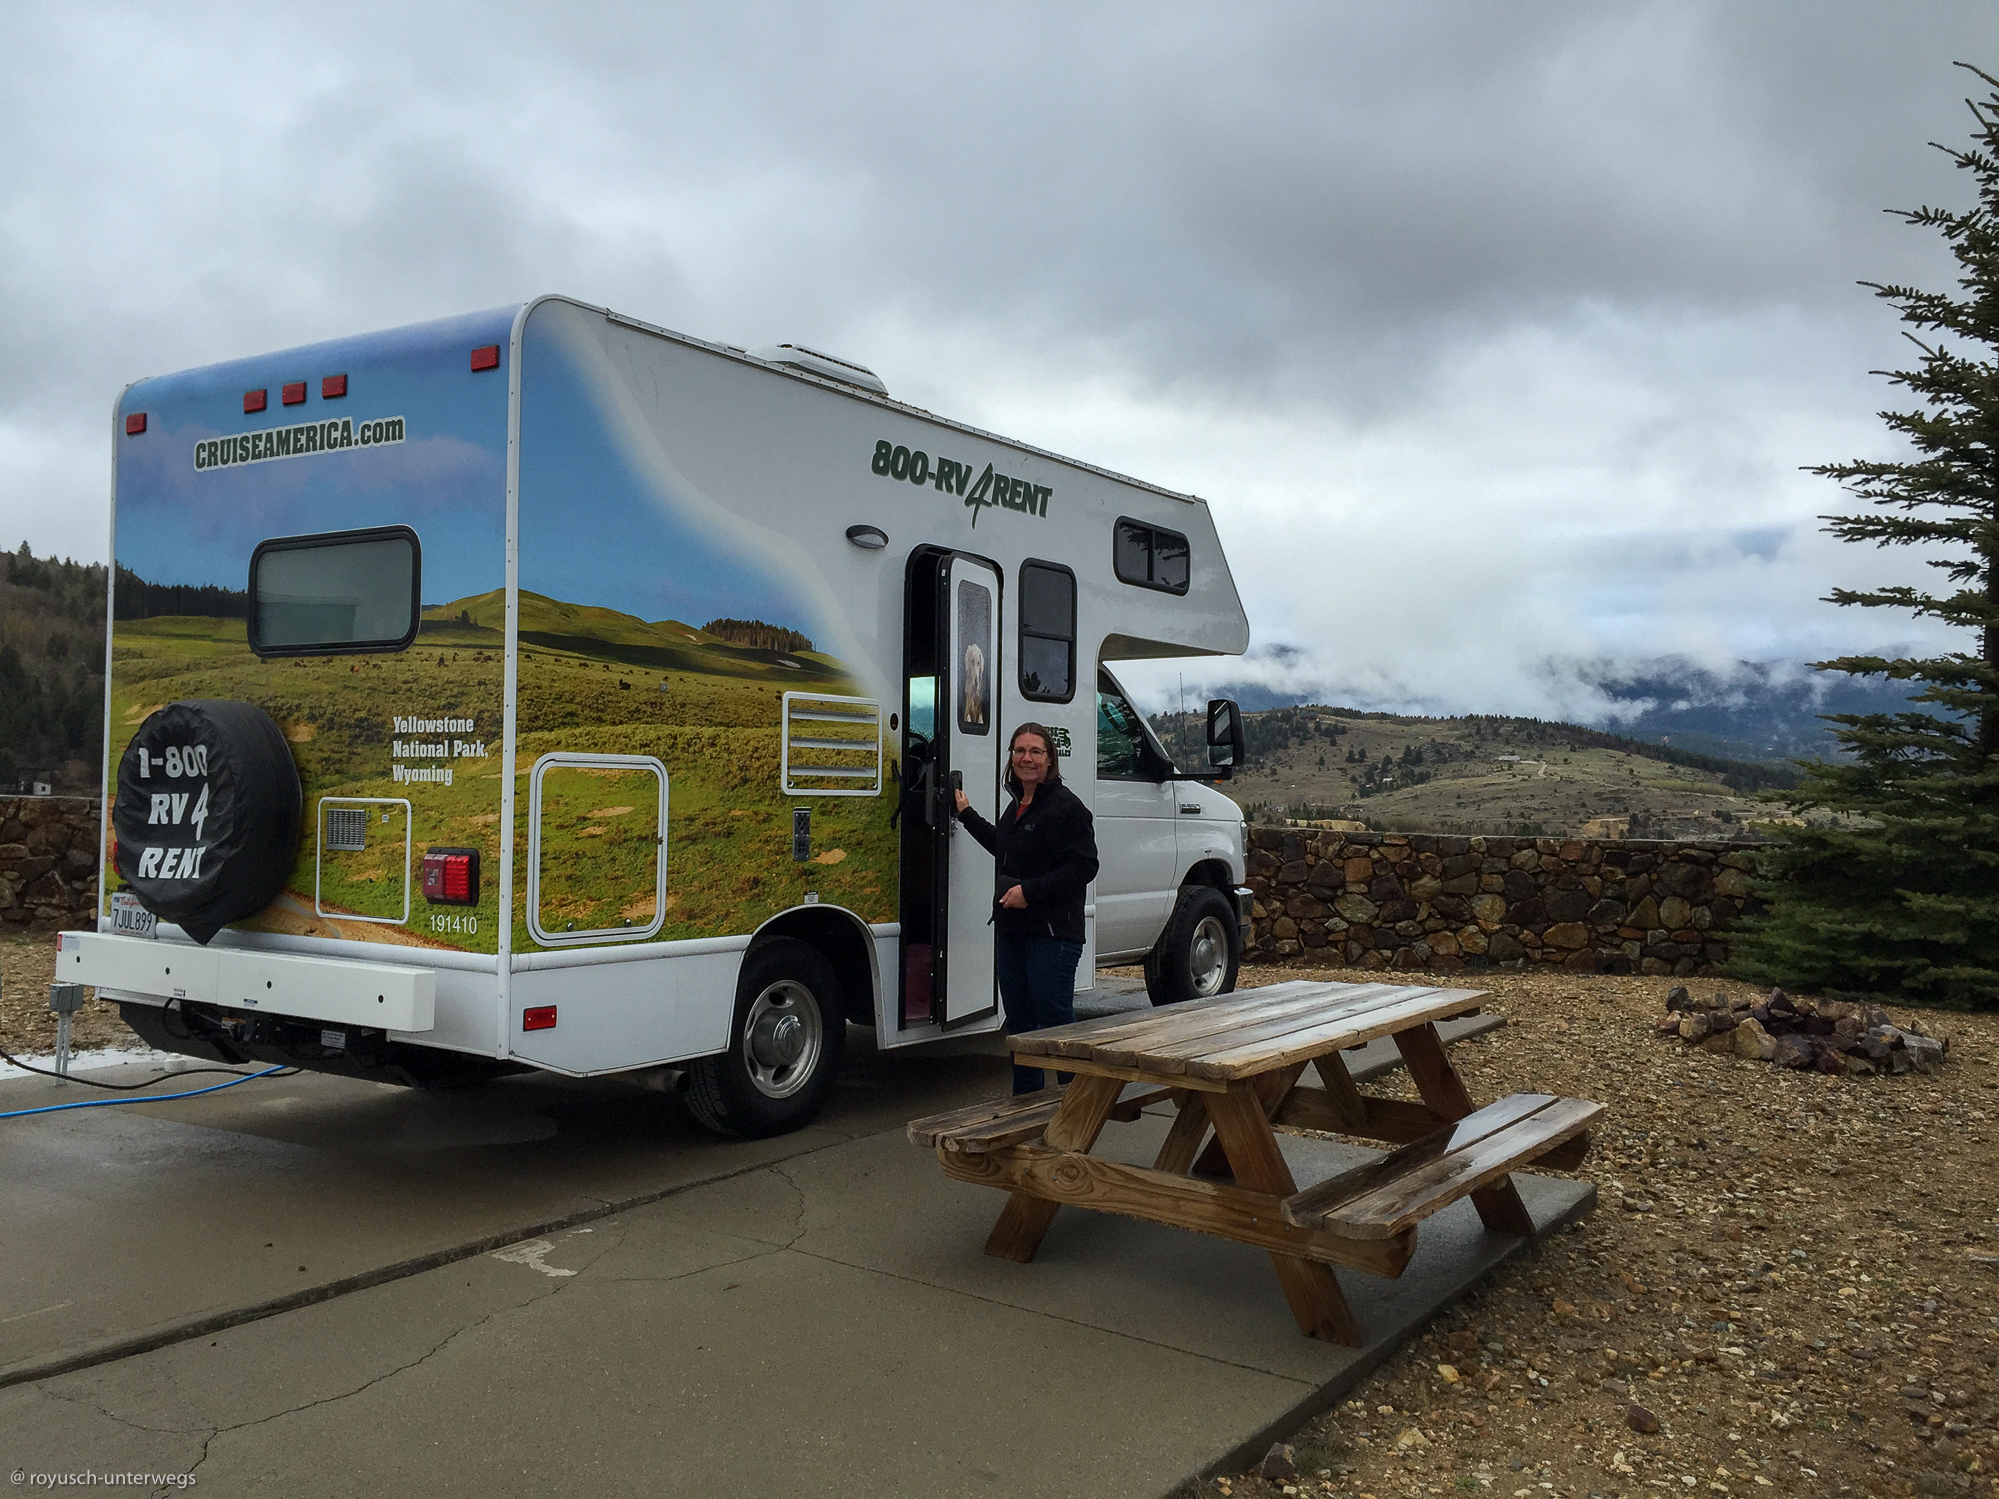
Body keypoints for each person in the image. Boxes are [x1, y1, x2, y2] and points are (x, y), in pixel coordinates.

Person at [953, 722, 1100, 1094]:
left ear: (1050, 759)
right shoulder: (1018, 805)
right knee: (1020, 1024)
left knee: (1054, 1021)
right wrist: (966, 814)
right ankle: (1026, 1104)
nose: (1026, 758)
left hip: (1052, 934)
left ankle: (1075, 1105)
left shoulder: (1067, 808)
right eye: (1019, 751)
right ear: (1011, 757)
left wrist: (1029, 892)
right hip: (1013, 930)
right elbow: (1004, 847)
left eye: (1036, 751)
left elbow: (1084, 866)